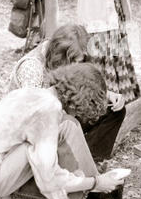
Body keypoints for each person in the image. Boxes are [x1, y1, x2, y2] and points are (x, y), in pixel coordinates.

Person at [0, 62, 124, 199]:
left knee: (63, 128)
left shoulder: (34, 94)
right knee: (61, 134)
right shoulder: (49, 109)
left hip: (0, 166)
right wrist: (94, 183)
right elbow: (48, 179)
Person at [8, 24, 126, 163]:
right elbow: (36, 118)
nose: (76, 66)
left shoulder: (64, 57)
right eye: (73, 61)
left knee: (112, 109)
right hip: (32, 130)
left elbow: (76, 85)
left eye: (80, 62)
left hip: (60, 114)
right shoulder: (31, 67)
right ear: (61, 55)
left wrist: (105, 94)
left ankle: (89, 159)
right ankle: (71, 163)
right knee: (69, 123)